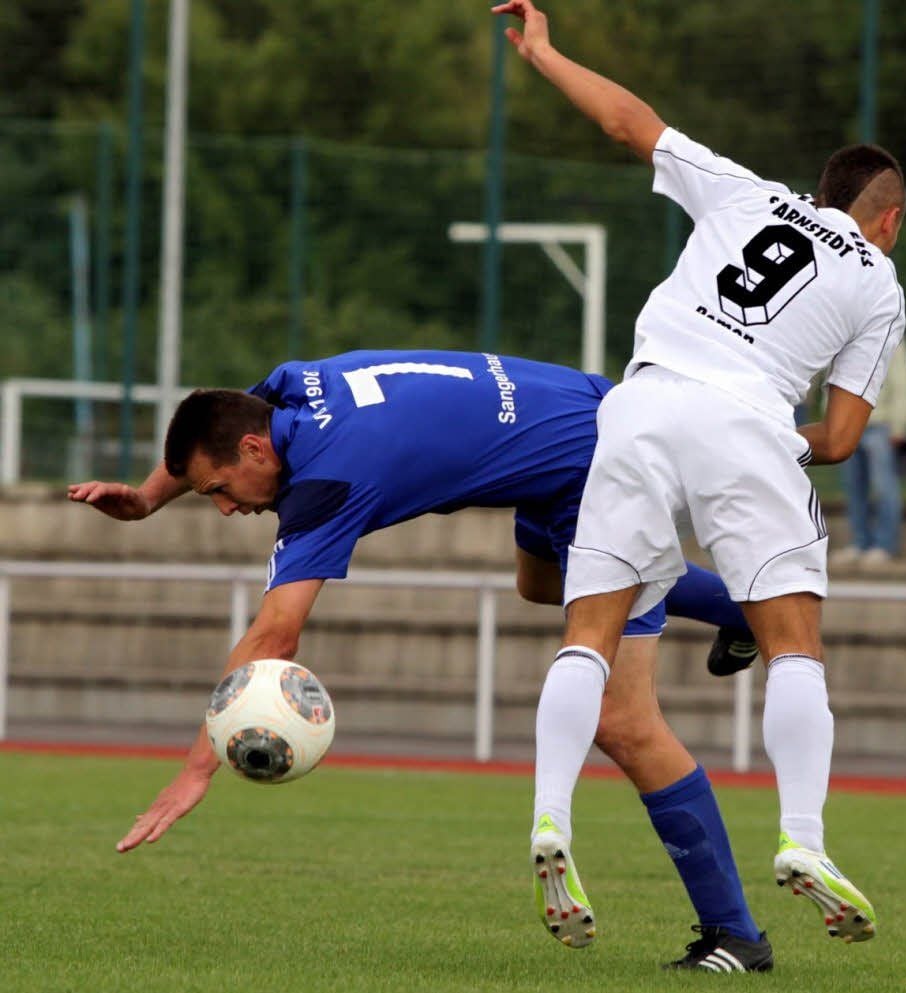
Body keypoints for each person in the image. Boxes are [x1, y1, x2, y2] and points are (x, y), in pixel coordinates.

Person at [69, 348, 770, 970]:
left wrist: (197, 767)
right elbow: (205, 426)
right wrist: (147, 499)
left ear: (255, 451)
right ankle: (740, 611)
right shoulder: (288, 389)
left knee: (621, 718)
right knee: (540, 584)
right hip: (566, 431)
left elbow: (274, 638)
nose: (223, 508)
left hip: (606, 471)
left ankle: (734, 933)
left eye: (218, 490)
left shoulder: (327, 477)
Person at [492, 0, 906, 966]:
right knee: (792, 642)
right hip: (748, 421)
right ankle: (802, 837)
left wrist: (546, 52)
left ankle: (552, 816)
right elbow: (842, 437)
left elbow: (626, 122)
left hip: (637, 408)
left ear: (814, 191)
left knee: (589, 632)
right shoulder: (879, 283)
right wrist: (769, 452)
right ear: (886, 221)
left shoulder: (746, 193)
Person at [829, 337, 906, 574]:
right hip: (846, 423)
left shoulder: (889, 330)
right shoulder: (843, 333)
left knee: (884, 486)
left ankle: (884, 546)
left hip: (880, 424)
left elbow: (902, 381)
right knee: (853, 486)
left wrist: (899, 425)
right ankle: (860, 542)